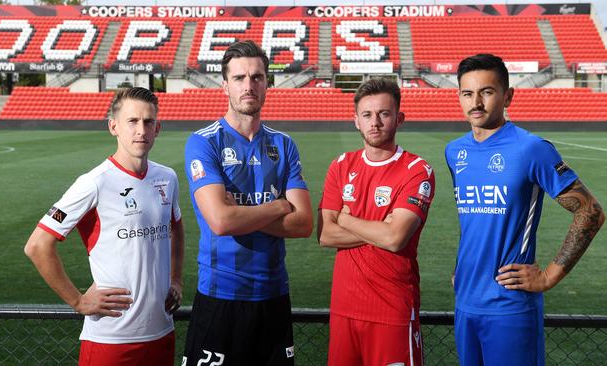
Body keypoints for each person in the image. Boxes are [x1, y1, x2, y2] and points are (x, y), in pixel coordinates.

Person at [445, 53, 605, 366]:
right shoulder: (455, 151)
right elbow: (473, 219)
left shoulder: (530, 148)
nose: (476, 102)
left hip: (510, 308)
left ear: (508, 96)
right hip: (465, 303)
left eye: (487, 92)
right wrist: (460, 267)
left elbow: (591, 211)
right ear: (459, 97)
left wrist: (547, 277)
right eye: (467, 93)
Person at [24, 87, 185, 366]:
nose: (141, 130)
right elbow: (37, 245)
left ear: (158, 128)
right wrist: (78, 302)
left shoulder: (167, 178)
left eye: (148, 122)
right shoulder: (94, 183)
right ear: (114, 126)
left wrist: (176, 279)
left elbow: (177, 228)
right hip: (111, 339)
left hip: (161, 331)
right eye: (132, 121)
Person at [182, 40, 313, 366]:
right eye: (239, 78)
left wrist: (239, 212)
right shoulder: (204, 142)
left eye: (257, 77)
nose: (249, 85)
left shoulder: (284, 145)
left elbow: (304, 224)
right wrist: (278, 206)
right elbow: (221, 222)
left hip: (273, 296)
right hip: (221, 294)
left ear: (267, 82)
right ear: (224, 84)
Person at [317, 78, 435, 366]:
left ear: (399, 119)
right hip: (344, 308)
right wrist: (379, 228)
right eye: (367, 115)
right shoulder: (341, 164)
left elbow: (395, 239)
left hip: (391, 309)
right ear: (356, 120)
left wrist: (345, 218)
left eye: (384, 114)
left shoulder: (417, 170)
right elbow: (325, 235)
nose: (376, 122)